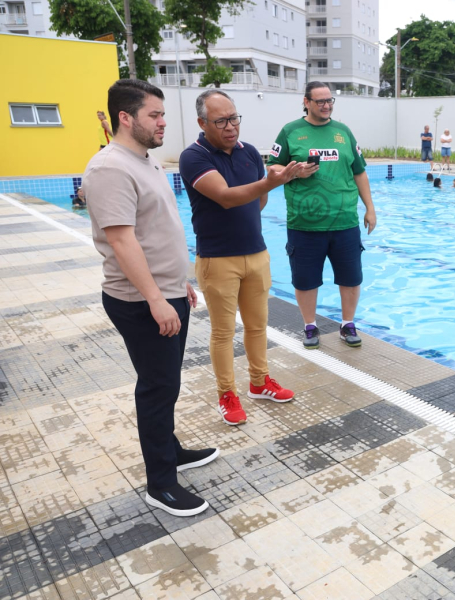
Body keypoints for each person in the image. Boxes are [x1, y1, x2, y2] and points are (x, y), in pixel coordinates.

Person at [83, 79, 217, 518]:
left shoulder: (148, 161)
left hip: (167, 291)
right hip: (141, 301)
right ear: (126, 117)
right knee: (157, 387)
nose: (163, 123)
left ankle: (172, 449)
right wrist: (157, 299)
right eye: (154, 115)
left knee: (167, 382)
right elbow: (123, 243)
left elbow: (156, 231)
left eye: (162, 114)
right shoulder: (109, 169)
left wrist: (179, 282)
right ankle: (161, 483)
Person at [180, 90, 302, 426]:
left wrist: (274, 181)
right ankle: (226, 394)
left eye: (234, 118)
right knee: (223, 332)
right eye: (221, 121)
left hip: (256, 253)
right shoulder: (193, 157)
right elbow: (226, 198)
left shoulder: (249, 153)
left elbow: (255, 203)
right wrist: (271, 182)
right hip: (218, 259)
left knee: (257, 326)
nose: (231, 126)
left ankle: (260, 383)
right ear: (202, 123)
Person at [267, 82, 376, 350]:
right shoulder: (290, 131)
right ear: (306, 102)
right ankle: (310, 326)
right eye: (320, 101)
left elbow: (359, 171)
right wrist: (294, 171)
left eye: (330, 101)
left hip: (344, 221)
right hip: (304, 223)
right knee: (306, 280)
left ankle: (347, 324)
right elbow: (272, 167)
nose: (326, 106)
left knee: (351, 277)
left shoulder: (343, 132)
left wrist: (370, 208)